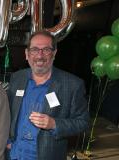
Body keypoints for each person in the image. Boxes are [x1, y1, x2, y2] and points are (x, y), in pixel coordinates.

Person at [7, 30, 90, 160]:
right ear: (27, 54)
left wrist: (54, 124)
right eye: (34, 49)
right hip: (15, 154)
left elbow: (83, 122)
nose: (40, 56)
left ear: (54, 53)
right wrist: (8, 140)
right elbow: (7, 112)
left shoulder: (73, 85)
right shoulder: (17, 78)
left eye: (46, 49)